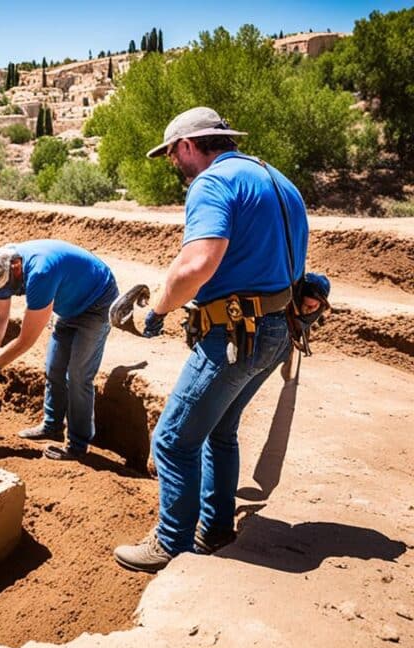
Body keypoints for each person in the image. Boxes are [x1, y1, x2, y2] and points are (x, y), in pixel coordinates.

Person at [113, 106, 319, 573]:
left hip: (236, 335)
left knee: (171, 440)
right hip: (277, 329)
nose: (172, 164)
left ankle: (171, 544)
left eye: (172, 154)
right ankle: (216, 528)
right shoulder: (274, 178)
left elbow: (196, 265)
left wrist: (157, 311)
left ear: (189, 145)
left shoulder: (211, 183)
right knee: (219, 432)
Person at [0, 240, 118, 460]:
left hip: (97, 303)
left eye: (8, 287)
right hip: (69, 303)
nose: (8, 292)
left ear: (17, 267)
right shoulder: (1, 266)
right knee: (54, 368)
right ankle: (52, 426)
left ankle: (78, 445)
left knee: (78, 376)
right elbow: (1, 316)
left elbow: (26, 340)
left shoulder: (40, 273)